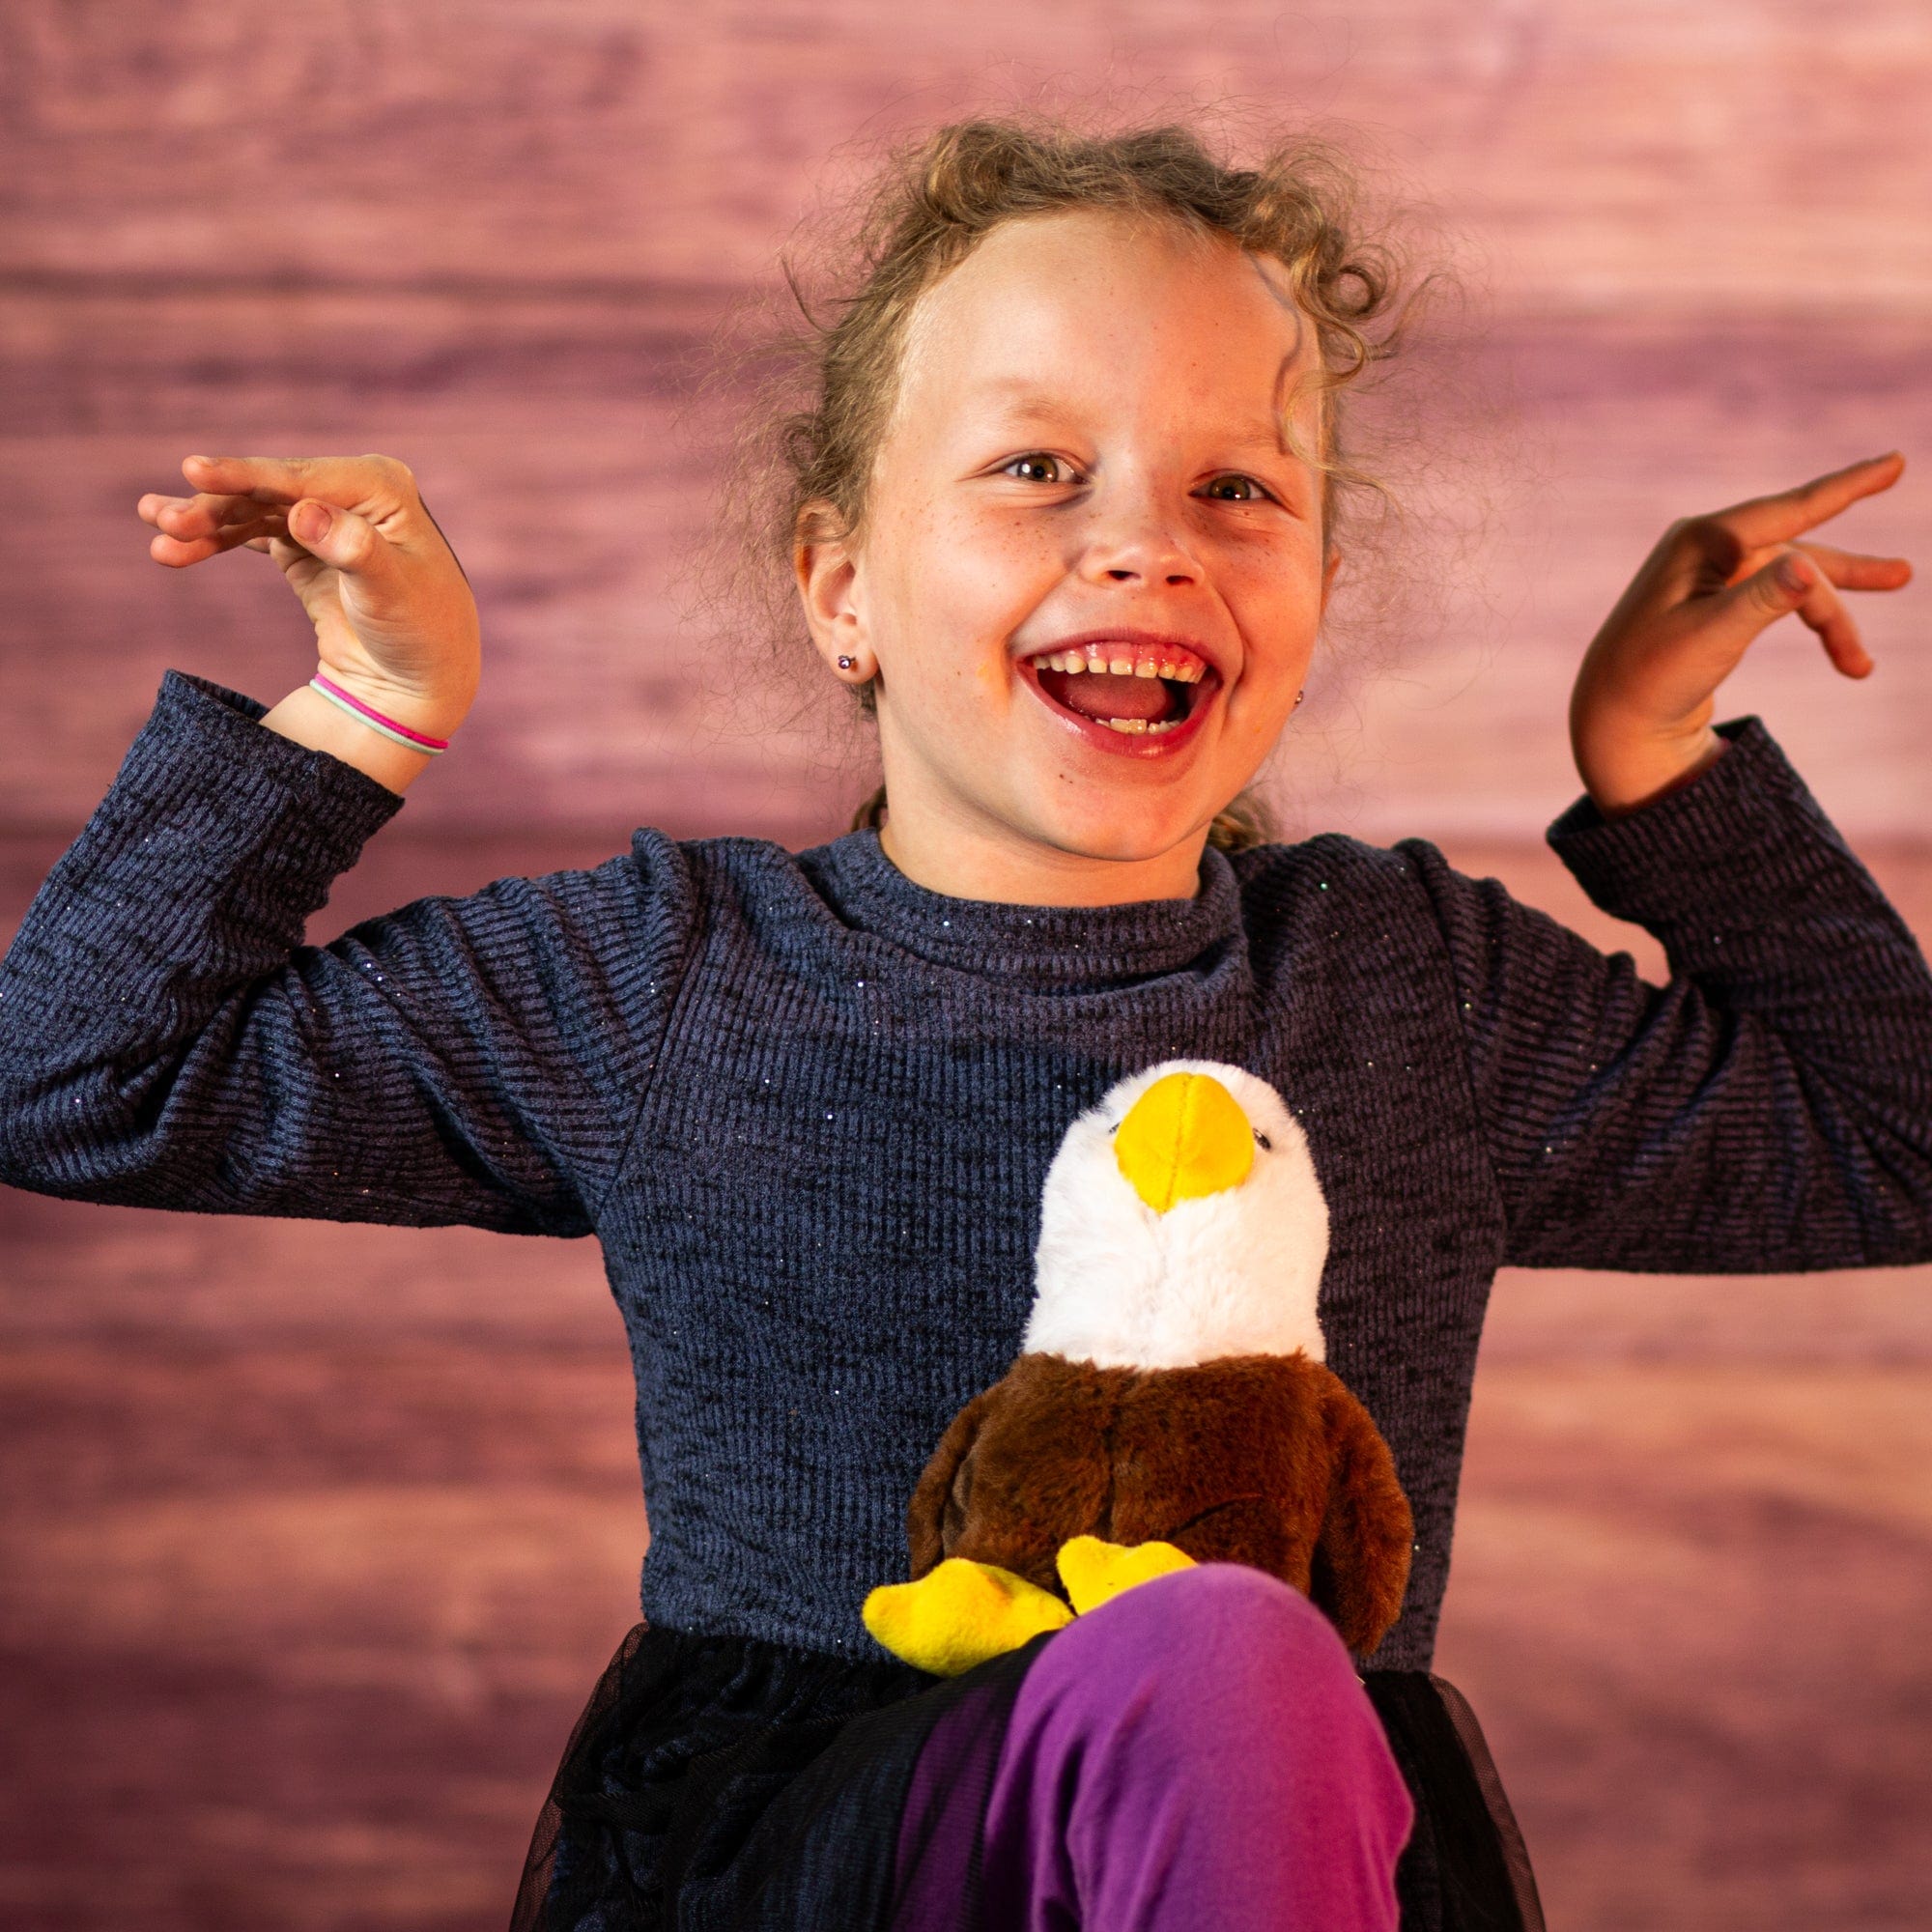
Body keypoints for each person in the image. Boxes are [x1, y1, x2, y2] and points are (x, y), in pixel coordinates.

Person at [2, 113, 1928, 1932]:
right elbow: (74, 1080)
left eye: (1235, 489)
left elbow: (1893, 1146)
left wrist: (1660, 768)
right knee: (1220, 1639)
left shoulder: (1407, 988)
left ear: (1319, 591)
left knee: (1231, 1664)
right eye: (1032, 468)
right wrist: (369, 703)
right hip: (808, 1854)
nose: (1142, 543)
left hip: (1264, 1830)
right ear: (843, 590)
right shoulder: (669, 979)